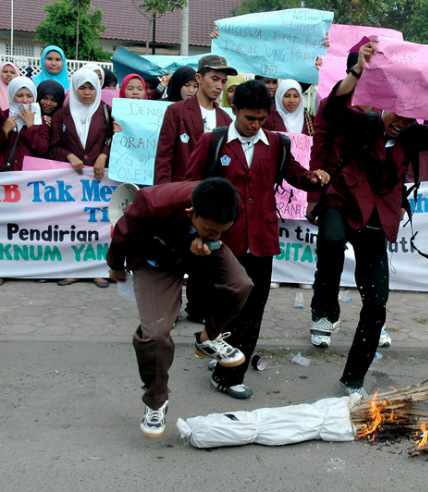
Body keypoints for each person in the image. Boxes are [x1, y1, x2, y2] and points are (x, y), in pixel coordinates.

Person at [308, 41, 428, 395]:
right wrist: (358, 69)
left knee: (376, 303)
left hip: (377, 220)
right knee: (329, 241)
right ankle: (325, 309)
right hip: (342, 203)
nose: (399, 124)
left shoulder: (416, 136)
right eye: (395, 116)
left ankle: (353, 379)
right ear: (384, 107)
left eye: (408, 119)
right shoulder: (361, 121)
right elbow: (334, 107)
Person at [187, 80, 330, 398]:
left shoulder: (278, 144)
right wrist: (194, 232)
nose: (255, 125)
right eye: (249, 118)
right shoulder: (215, 142)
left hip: (262, 240)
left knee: (254, 308)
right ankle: (221, 352)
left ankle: (229, 376)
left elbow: (296, 174)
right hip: (223, 240)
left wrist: (315, 178)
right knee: (227, 303)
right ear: (233, 110)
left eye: (261, 119)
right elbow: (190, 185)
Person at [107, 177, 253, 438]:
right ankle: (156, 400)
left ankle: (209, 339)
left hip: (197, 252)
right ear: (190, 213)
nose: (218, 235)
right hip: (155, 260)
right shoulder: (151, 203)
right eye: (211, 230)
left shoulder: (221, 209)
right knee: (155, 335)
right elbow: (123, 232)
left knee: (240, 284)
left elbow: (218, 236)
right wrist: (116, 265)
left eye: (222, 231)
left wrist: (208, 239)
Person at [50, 69, 114, 288]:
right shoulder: (62, 115)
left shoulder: (106, 112)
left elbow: (113, 138)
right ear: (75, 88)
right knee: (74, 225)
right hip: (72, 182)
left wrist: (104, 155)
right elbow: (54, 146)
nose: (87, 93)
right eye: (82, 87)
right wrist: (69, 156)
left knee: (97, 226)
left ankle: (98, 271)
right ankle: (74, 270)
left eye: (91, 88)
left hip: (98, 182)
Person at [154, 55, 235, 184]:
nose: (219, 86)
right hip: (180, 194)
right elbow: (163, 161)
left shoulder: (226, 120)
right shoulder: (176, 112)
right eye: (215, 79)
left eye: (224, 81)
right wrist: (164, 197)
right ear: (199, 78)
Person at [1, 77, 49, 171]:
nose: (25, 100)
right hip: (5, 175)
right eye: (19, 95)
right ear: (11, 95)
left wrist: (31, 127)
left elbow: (42, 150)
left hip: (29, 177)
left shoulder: (41, 120)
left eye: (29, 96)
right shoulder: (3, 116)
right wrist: (4, 131)